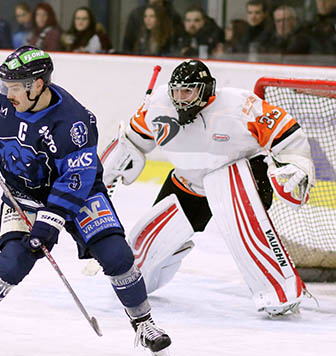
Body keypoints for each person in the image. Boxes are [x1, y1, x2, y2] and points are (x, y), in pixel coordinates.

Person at [0, 46, 172, 356]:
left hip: (79, 191)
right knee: (13, 262)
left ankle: (144, 322)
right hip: (22, 191)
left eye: (14, 87)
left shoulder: (74, 124)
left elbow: (74, 180)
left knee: (116, 255)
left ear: (37, 85)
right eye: (5, 85)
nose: (5, 92)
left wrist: (49, 224)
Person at [101, 59, 314, 317]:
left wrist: (296, 163)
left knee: (235, 206)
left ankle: (281, 293)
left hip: (241, 176)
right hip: (189, 181)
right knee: (142, 250)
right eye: (176, 91)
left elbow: (287, 134)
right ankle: (142, 280)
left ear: (206, 90)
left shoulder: (239, 105)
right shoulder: (158, 105)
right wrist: (117, 161)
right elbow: (135, 139)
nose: (180, 99)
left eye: (188, 91)